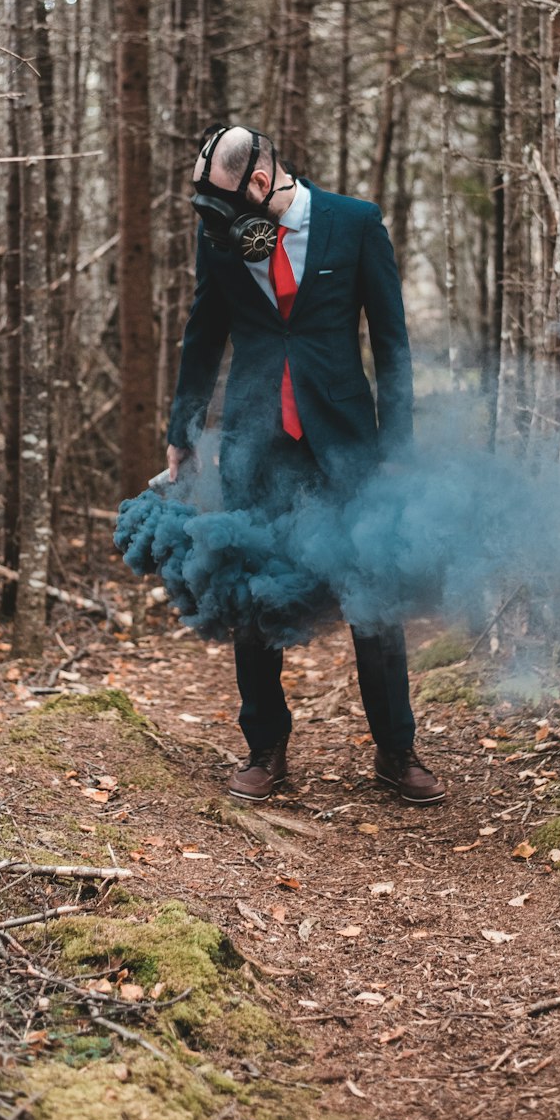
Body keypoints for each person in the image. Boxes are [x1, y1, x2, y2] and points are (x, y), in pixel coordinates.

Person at [165, 123, 444, 805]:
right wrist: (183, 428)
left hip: (346, 441)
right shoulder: (224, 238)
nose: (222, 223)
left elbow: (392, 342)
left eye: (231, 204)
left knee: (372, 593)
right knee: (251, 592)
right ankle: (265, 748)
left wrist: (397, 447)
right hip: (256, 444)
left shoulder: (354, 224)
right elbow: (204, 335)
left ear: (260, 183)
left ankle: (396, 751)